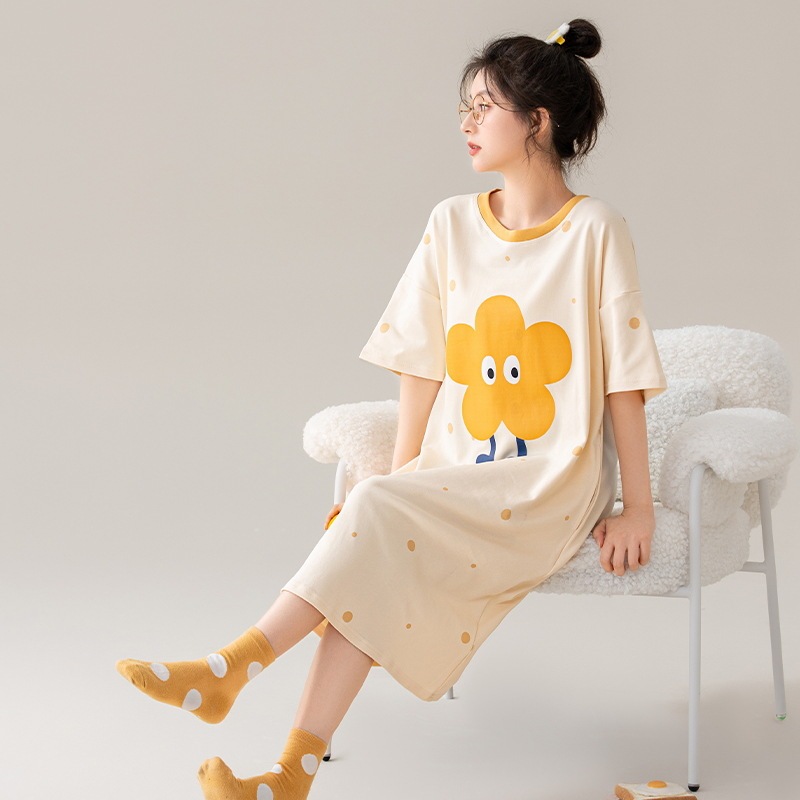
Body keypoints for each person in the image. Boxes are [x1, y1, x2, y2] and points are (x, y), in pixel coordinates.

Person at [116, 18, 668, 800]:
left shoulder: (596, 231)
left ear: (538, 122)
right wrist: (404, 478)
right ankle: (289, 774)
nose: (468, 122)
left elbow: (624, 377)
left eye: (486, 107)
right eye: (466, 107)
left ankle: (232, 666)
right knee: (373, 526)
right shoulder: (451, 223)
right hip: (456, 468)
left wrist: (637, 504)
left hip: (552, 478)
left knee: (371, 513)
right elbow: (421, 358)